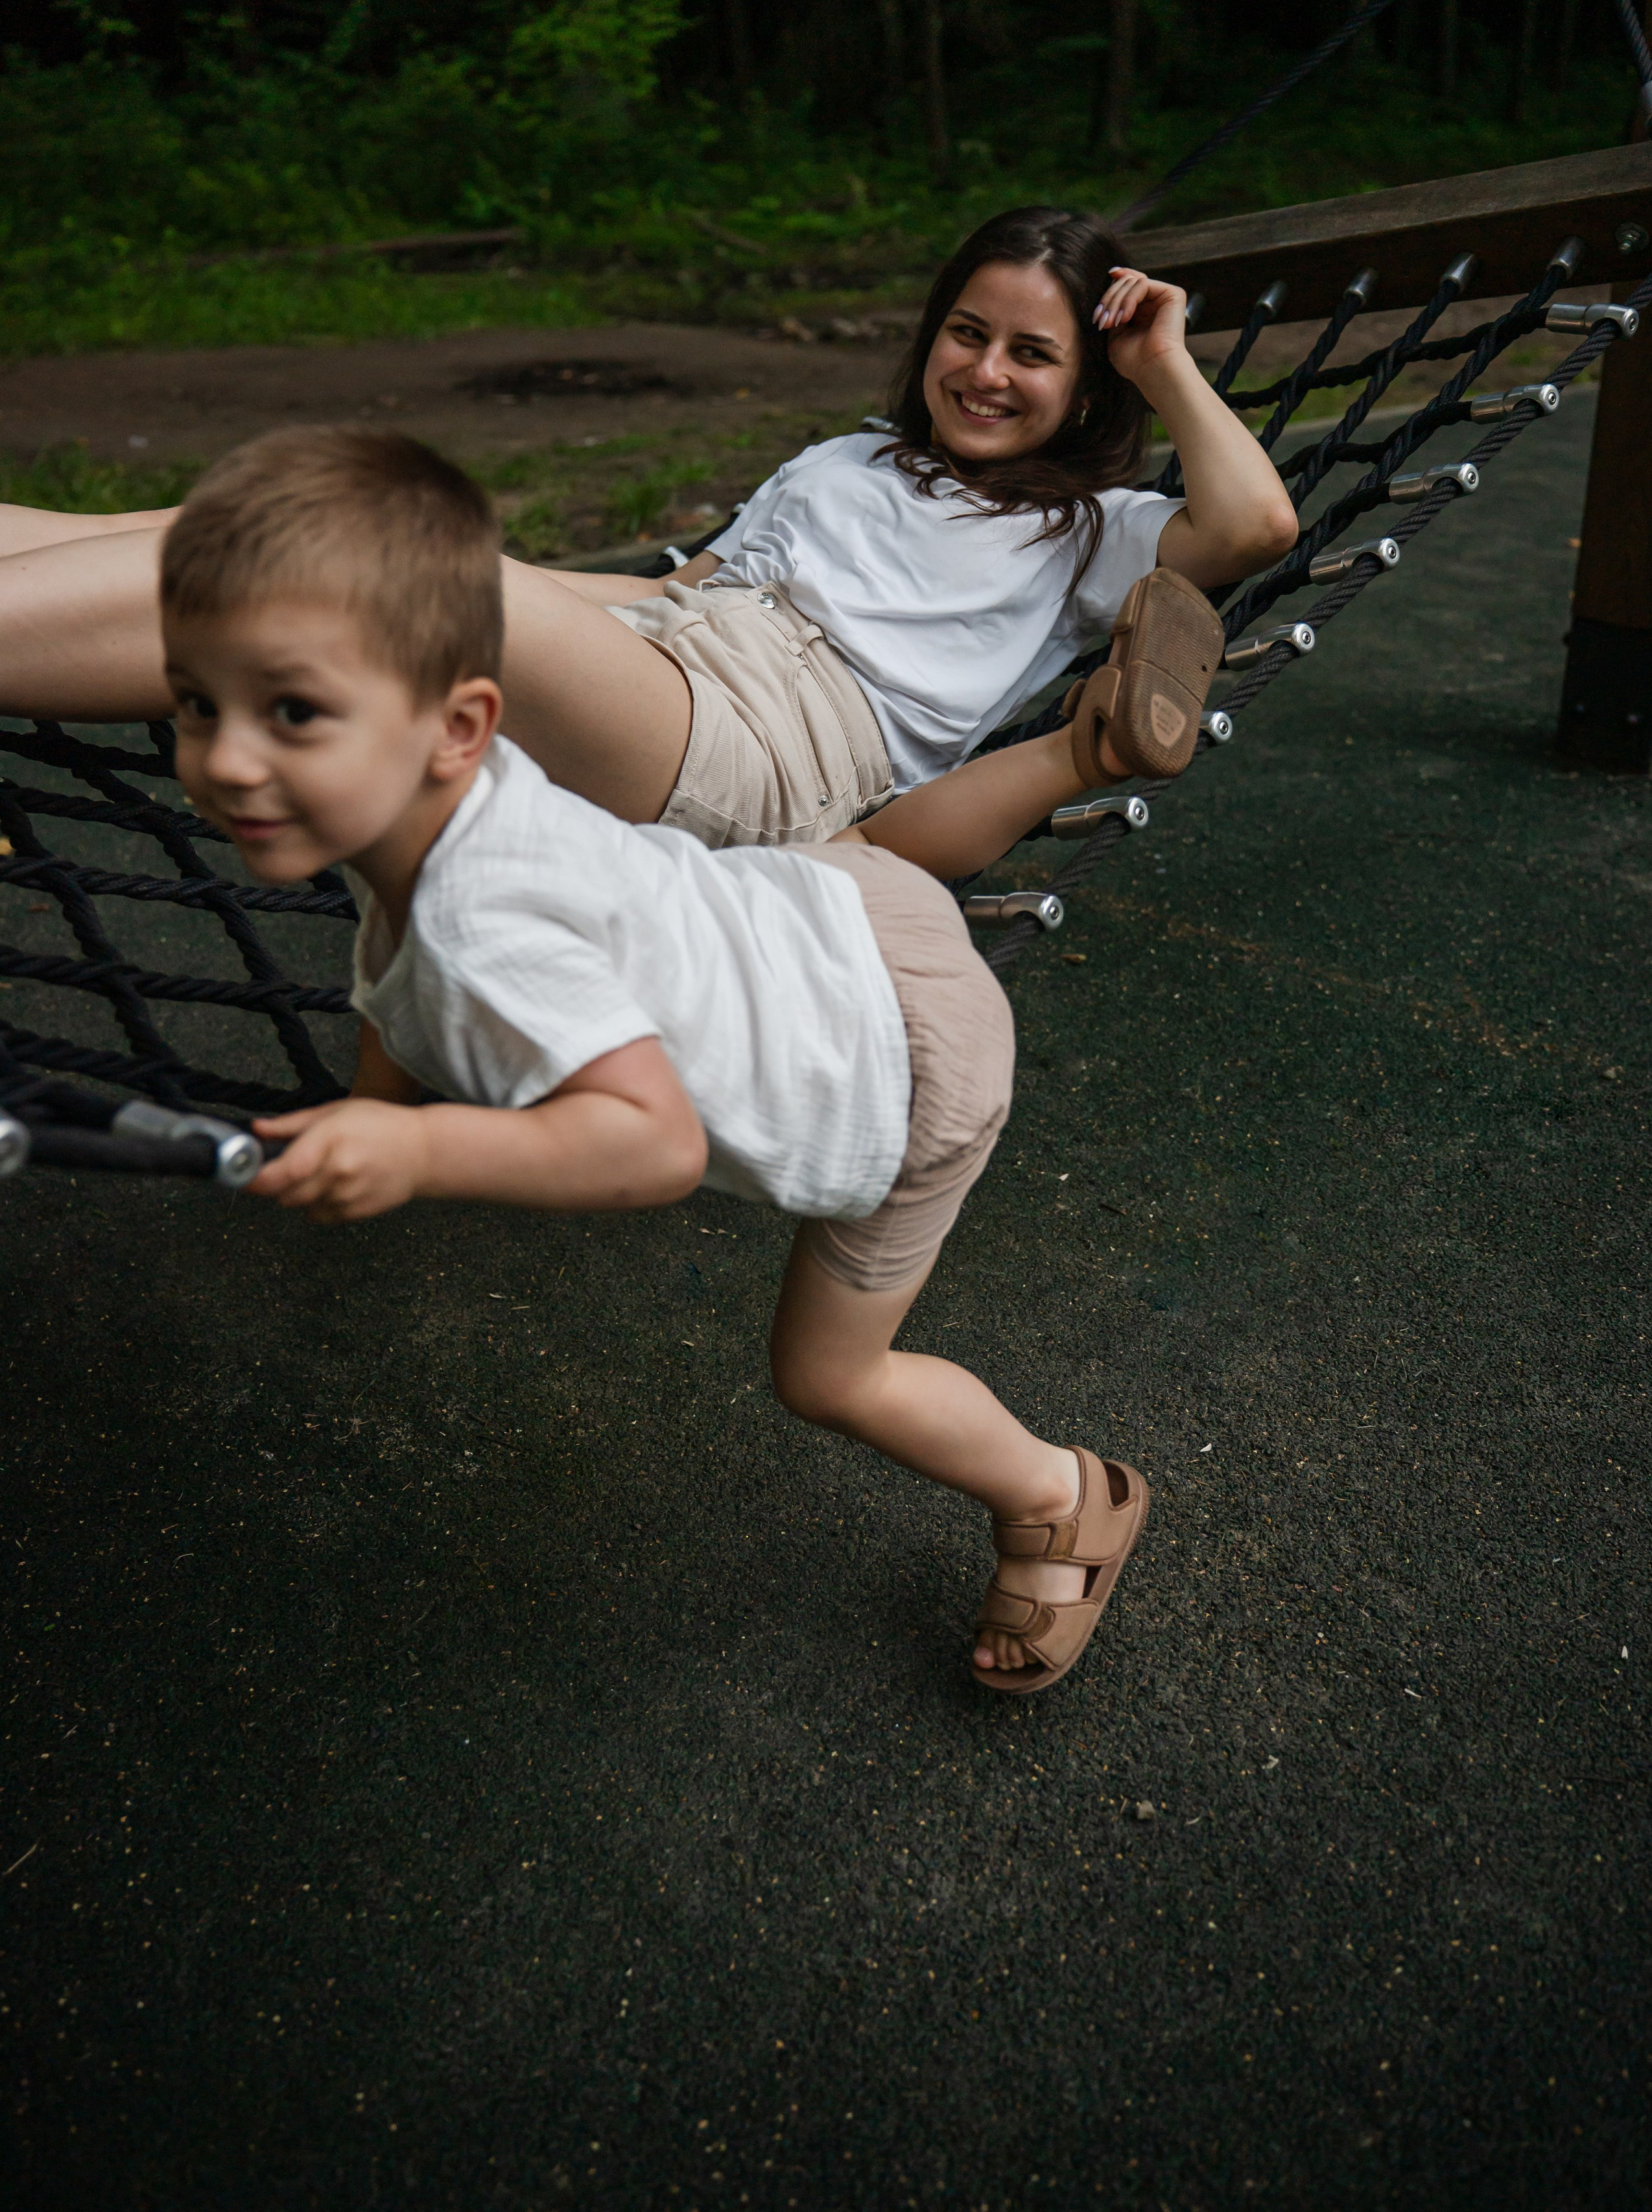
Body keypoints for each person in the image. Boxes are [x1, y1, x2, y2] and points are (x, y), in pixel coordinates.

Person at [157, 423, 1148, 1693]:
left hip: (909, 1065)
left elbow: (651, 1144)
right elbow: (390, 953)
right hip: (828, 896)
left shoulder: (487, 925)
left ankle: (1063, 1495)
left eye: (290, 712)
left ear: (458, 725)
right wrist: (371, 1107)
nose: (228, 760)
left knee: (829, 1375)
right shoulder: (413, 796)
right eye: (196, 705)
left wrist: (414, 1146)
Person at [0, 208, 1295, 881]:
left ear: (1086, 387)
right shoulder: (851, 459)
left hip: (771, 755)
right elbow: (675, 590)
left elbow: (1253, 526)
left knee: (359, 555)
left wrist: (1161, 358)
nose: (986, 371)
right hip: (667, 660)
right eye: (968, 332)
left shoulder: (1084, 535)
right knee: (275, 513)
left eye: (1033, 353)